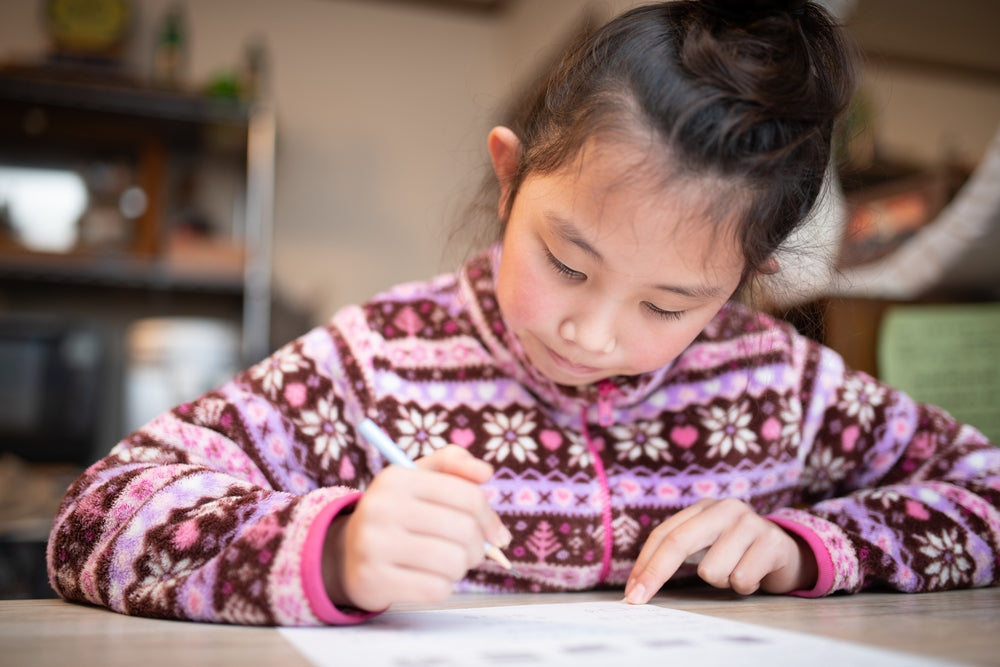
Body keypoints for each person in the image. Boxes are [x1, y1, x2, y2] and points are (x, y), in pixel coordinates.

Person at [47, 0, 999, 626]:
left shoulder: (781, 382)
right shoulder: (379, 361)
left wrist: (806, 548)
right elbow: (94, 516)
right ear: (509, 181)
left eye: (670, 303)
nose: (593, 335)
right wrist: (334, 548)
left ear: (746, 277)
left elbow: (987, 489)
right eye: (565, 260)